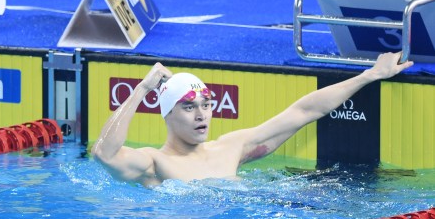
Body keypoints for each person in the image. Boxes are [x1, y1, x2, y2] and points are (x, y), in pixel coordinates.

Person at [92, 52, 413, 186]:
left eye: (206, 104)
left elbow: (303, 112)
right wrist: (144, 87)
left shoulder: (231, 147)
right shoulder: (154, 164)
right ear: (167, 114)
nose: (202, 114)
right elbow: (103, 153)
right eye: (189, 107)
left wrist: (370, 75)